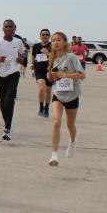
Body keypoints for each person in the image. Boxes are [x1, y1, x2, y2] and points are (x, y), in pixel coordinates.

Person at [46, 31, 85, 166]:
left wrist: (64, 75)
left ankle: (72, 142)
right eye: (53, 40)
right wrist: (50, 76)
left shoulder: (72, 57)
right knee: (56, 122)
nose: (55, 42)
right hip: (58, 94)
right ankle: (54, 154)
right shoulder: (52, 58)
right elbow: (50, 78)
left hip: (72, 95)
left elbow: (82, 75)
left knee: (70, 125)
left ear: (64, 42)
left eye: (58, 40)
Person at [0, 19, 25, 142]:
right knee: (2, 103)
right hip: (0, 75)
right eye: (6, 27)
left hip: (14, 74)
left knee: (9, 101)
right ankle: (6, 123)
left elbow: (23, 55)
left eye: (11, 27)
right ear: (3, 28)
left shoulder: (18, 42)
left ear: (15, 28)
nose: (9, 29)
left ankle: (8, 128)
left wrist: (21, 59)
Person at [31, 28, 52, 117]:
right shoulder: (36, 46)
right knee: (42, 88)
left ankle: (46, 108)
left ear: (49, 36)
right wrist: (32, 65)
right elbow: (33, 56)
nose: (45, 36)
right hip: (39, 70)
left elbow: (57, 59)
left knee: (48, 90)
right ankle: (41, 106)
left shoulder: (52, 46)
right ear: (40, 36)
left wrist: (48, 54)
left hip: (50, 71)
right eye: (43, 34)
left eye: (47, 34)